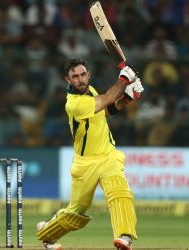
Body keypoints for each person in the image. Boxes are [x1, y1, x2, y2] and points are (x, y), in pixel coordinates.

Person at [36, 58, 144, 250]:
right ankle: (48, 232)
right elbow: (108, 99)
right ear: (67, 80)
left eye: (83, 75)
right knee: (77, 211)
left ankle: (125, 236)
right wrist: (125, 79)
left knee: (120, 193)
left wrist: (127, 97)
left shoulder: (91, 91)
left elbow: (108, 109)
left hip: (108, 156)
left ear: (88, 75)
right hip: (85, 163)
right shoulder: (74, 103)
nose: (80, 79)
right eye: (74, 77)